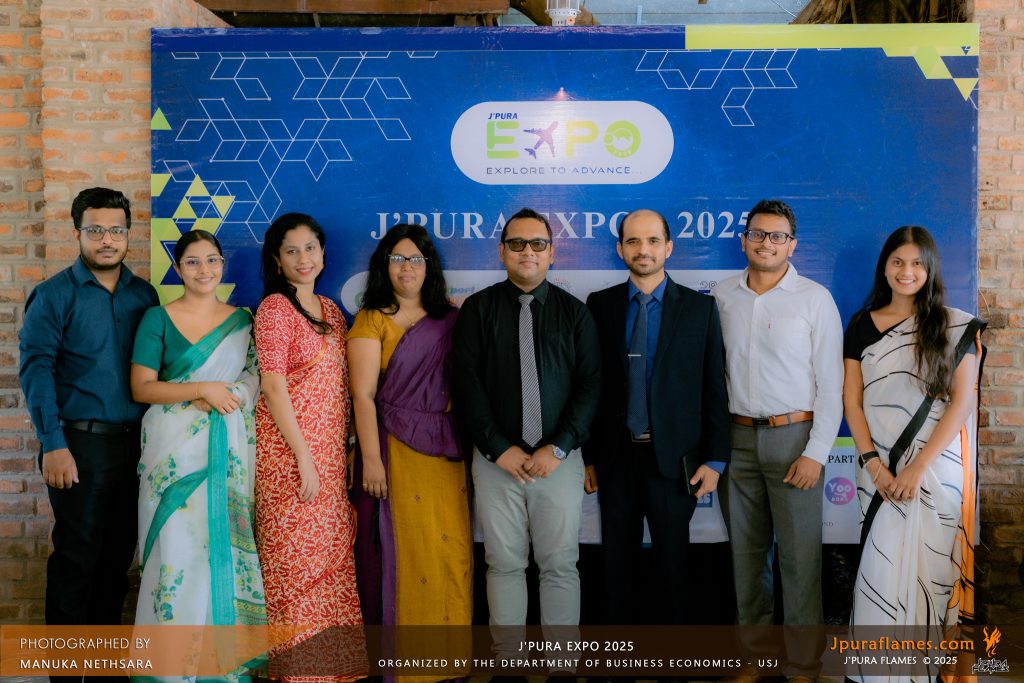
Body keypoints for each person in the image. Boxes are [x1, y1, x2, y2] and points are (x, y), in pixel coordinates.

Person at [19, 187, 158, 673]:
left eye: (116, 230)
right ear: (77, 233)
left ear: (128, 234)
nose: (107, 240)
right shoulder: (54, 295)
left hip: (135, 448)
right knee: (76, 560)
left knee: (116, 565)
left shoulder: (144, 295)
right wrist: (52, 445)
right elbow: (35, 371)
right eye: (95, 230)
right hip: (77, 445)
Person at [452, 208, 600, 659]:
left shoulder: (575, 313)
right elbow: (466, 384)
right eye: (517, 243)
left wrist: (559, 447)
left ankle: (562, 665)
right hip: (496, 463)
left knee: (560, 565)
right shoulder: (478, 310)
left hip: (558, 461)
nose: (527, 252)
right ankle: (509, 663)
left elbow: (591, 386)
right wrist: (499, 448)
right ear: (502, 252)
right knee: (503, 565)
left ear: (552, 253)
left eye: (538, 244)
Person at [844, 226, 982, 682]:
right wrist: (873, 465)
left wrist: (917, 469)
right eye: (898, 262)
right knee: (879, 573)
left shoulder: (954, 326)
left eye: (917, 264)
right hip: (878, 475)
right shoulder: (861, 325)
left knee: (931, 575)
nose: (907, 272)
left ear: (930, 269)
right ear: (884, 267)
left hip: (934, 475)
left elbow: (961, 403)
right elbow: (852, 402)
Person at [712, 199, 843, 682]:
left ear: (792, 244)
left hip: (795, 440)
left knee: (799, 559)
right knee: (746, 559)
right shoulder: (722, 296)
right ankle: (755, 658)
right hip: (736, 439)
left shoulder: (814, 299)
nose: (766, 243)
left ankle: (803, 663)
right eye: (758, 233)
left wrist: (815, 454)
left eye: (777, 236)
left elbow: (831, 384)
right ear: (743, 239)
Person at [585, 208, 730, 626]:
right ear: (620, 249)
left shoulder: (700, 309)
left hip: (674, 463)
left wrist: (715, 459)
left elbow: (714, 387)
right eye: (633, 241)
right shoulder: (600, 306)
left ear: (669, 247)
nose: (643, 249)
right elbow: (592, 386)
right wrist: (589, 457)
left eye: (652, 241)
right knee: (616, 572)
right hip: (615, 460)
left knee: (673, 573)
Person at [347, 224, 471, 679]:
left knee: (449, 551)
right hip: (391, 451)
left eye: (415, 259)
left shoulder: (451, 319)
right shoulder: (371, 319)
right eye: (397, 258)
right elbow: (363, 396)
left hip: (445, 452)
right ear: (384, 266)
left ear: (428, 265)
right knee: (401, 553)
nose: (406, 268)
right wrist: (372, 460)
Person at [130, 230, 266, 645]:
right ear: (177, 269)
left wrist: (228, 394)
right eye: (192, 261)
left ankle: (219, 666)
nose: (203, 269)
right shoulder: (157, 318)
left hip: (225, 450)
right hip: (173, 455)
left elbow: (254, 378)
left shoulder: (243, 321)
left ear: (222, 265)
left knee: (217, 550)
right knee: (176, 550)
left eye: (212, 260)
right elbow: (142, 388)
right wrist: (200, 390)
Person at [253, 213, 363, 682]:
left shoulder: (331, 311)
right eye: (292, 250)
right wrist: (303, 457)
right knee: (294, 570)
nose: (304, 258)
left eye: (310, 248)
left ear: (323, 253)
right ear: (277, 260)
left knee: (329, 566)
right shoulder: (275, 309)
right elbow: (273, 385)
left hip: (330, 461)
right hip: (288, 460)